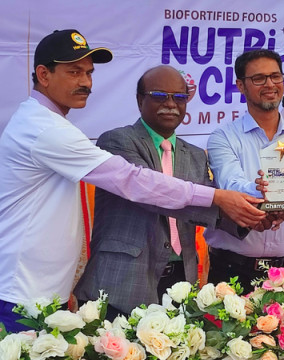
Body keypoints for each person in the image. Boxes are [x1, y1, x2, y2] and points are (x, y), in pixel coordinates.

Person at [0, 30, 264, 332]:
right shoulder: (44, 128)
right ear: (43, 75)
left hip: (42, 290)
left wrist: (252, 210)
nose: (85, 82)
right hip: (22, 292)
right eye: (74, 72)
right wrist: (218, 198)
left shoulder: (50, 123)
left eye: (88, 73)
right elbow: (130, 180)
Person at [74, 66, 249, 319]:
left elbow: (208, 210)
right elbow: (155, 195)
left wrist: (255, 215)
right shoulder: (117, 141)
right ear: (139, 100)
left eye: (179, 97)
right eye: (159, 96)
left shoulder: (196, 155)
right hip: (121, 284)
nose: (170, 104)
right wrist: (222, 199)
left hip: (180, 284)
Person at [206, 49, 284, 291]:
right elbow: (231, 184)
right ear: (241, 85)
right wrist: (260, 193)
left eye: (275, 77)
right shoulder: (223, 137)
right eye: (258, 78)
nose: (269, 84)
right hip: (232, 271)